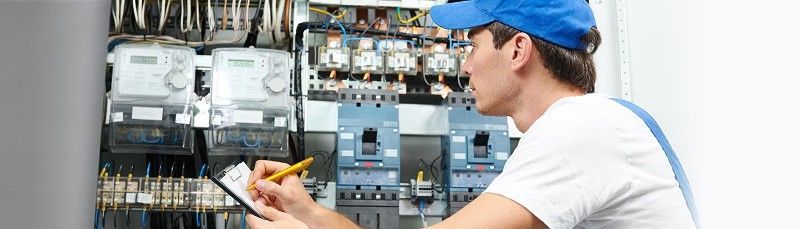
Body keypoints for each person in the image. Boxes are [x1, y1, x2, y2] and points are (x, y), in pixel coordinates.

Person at [245, 0, 696, 228]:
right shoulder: (588, 127)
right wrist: (310, 213)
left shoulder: (579, 127)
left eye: (471, 45)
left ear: (518, 49)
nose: (464, 64)